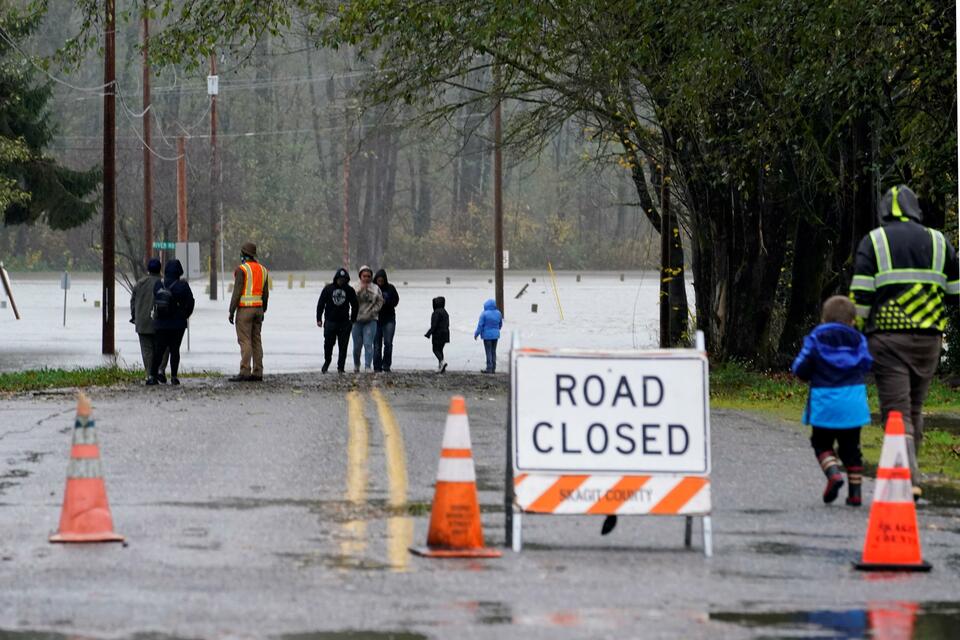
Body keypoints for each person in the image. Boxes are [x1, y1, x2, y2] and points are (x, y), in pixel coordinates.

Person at [851, 185, 959, 500]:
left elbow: (861, 300)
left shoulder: (874, 241)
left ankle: (908, 478)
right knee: (915, 407)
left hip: (888, 341)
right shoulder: (940, 241)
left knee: (897, 412)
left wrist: (858, 334)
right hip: (929, 342)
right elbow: (955, 293)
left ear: (884, 212)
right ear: (916, 210)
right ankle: (910, 472)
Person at [791, 296, 873, 506]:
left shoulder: (816, 338)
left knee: (821, 443)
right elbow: (867, 363)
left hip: (825, 403)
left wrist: (803, 374)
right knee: (851, 448)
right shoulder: (858, 339)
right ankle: (855, 493)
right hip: (852, 405)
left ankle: (834, 474)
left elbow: (801, 365)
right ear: (853, 320)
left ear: (823, 319)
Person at [147, 259, 194, 386]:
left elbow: (156, 299)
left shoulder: (158, 284)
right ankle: (174, 376)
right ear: (179, 271)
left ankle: (152, 376)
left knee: (158, 350)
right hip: (178, 324)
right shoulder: (183, 286)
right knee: (175, 350)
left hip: (161, 323)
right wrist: (184, 315)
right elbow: (190, 303)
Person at [228, 242, 270, 382]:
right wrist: (263, 309)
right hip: (258, 309)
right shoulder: (263, 270)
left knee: (245, 340)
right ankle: (258, 372)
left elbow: (237, 291)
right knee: (256, 340)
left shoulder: (242, 270)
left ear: (244, 255)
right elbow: (265, 294)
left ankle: (245, 371)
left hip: (245, 310)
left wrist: (231, 310)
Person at [130, 257, 168, 382]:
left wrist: (134, 317)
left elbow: (133, 302)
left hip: (143, 322)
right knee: (162, 348)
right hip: (160, 322)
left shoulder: (140, 283)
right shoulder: (164, 283)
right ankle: (159, 370)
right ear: (160, 269)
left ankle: (149, 375)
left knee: (147, 351)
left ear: (148, 270)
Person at [317, 268, 359, 373]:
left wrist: (353, 319)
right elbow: (321, 304)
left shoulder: (349, 290)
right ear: (336, 278)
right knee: (328, 344)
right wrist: (319, 318)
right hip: (330, 322)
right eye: (339, 279)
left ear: (346, 279)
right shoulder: (328, 289)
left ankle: (341, 367)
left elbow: (355, 305)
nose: (341, 281)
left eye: (343, 279)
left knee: (343, 347)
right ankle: (327, 361)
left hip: (344, 323)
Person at [352, 265, 383, 373]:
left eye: (368, 276)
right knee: (357, 346)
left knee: (368, 343)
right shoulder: (354, 286)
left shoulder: (375, 288)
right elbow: (351, 300)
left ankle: (367, 366)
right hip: (357, 319)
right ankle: (356, 364)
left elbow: (380, 301)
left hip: (371, 319)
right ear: (360, 276)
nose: (366, 278)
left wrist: (373, 311)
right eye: (364, 276)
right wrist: (361, 290)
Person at [373, 268, 400, 373]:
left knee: (388, 343)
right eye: (378, 280)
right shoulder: (372, 288)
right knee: (376, 344)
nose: (380, 282)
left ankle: (386, 365)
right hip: (375, 320)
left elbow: (396, 301)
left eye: (382, 280)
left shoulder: (390, 288)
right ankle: (377, 366)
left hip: (389, 319)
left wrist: (386, 302)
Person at [474, 298, 502, 373]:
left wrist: (476, 334)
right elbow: (500, 324)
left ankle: (489, 368)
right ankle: (493, 368)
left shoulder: (484, 314)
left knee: (488, 351)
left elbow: (480, 325)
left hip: (487, 336)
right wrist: (496, 330)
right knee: (493, 351)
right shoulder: (498, 313)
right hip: (495, 335)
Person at [425, 296, 449, 373]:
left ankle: (442, 362)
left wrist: (429, 333)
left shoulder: (436, 313)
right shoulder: (445, 312)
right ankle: (441, 367)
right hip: (445, 333)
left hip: (438, 334)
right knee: (440, 350)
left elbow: (434, 325)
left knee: (435, 349)